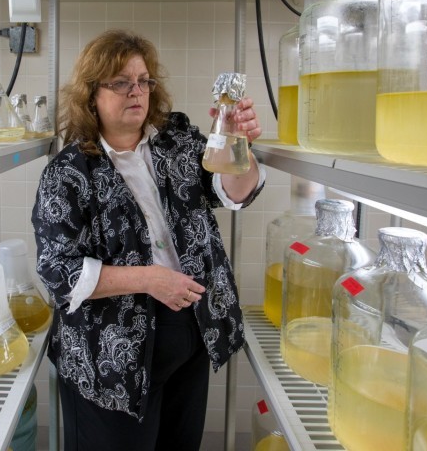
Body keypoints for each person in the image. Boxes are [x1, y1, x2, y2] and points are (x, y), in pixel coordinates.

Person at [32, 29, 266, 451]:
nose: (135, 91)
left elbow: (233, 191)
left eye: (143, 81)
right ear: (92, 95)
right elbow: (59, 272)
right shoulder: (69, 174)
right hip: (112, 353)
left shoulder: (176, 144)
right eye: (120, 82)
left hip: (192, 326)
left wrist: (239, 146)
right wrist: (150, 279)